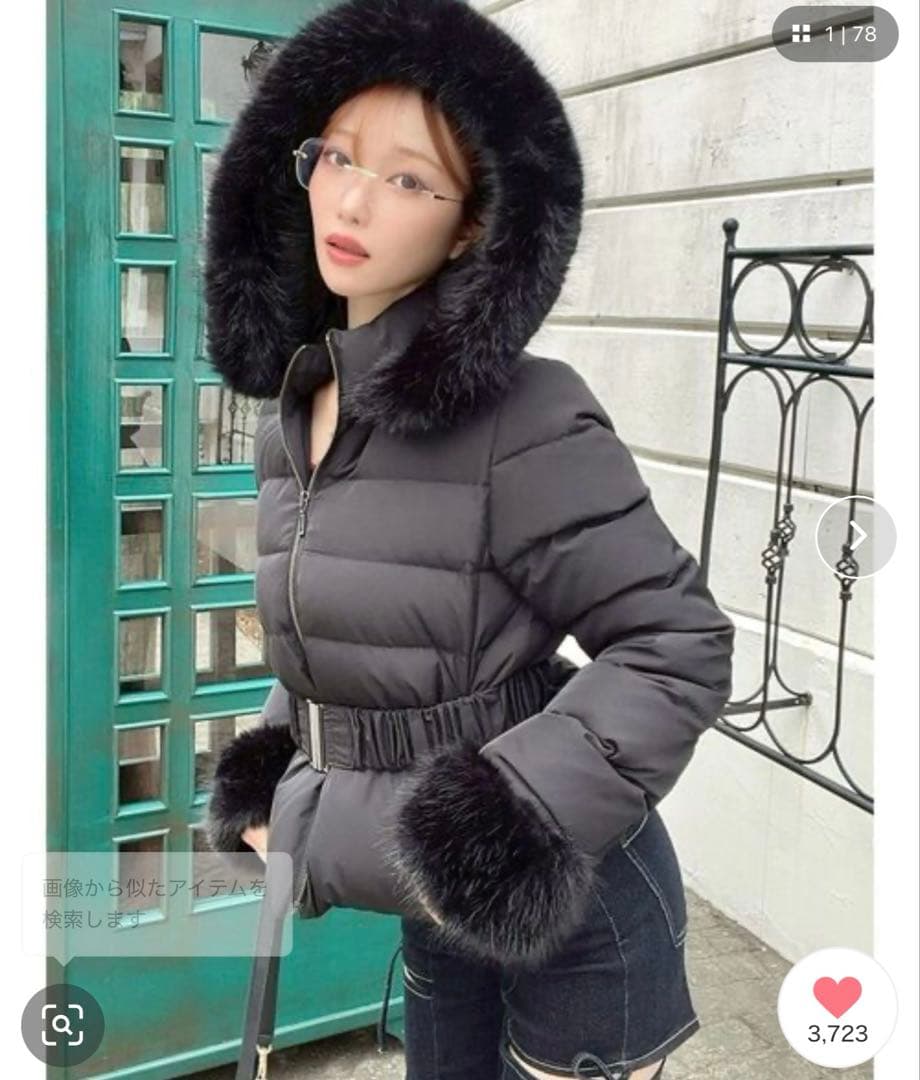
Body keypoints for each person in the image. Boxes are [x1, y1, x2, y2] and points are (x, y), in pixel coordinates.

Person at [202, 2, 736, 1078]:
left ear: (471, 228)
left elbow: (677, 645)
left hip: (572, 907)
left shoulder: (526, 415)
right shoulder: (291, 418)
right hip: (434, 907)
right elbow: (334, 642)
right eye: (336, 155)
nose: (353, 198)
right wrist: (267, 776)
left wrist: (496, 831)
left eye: (408, 179)